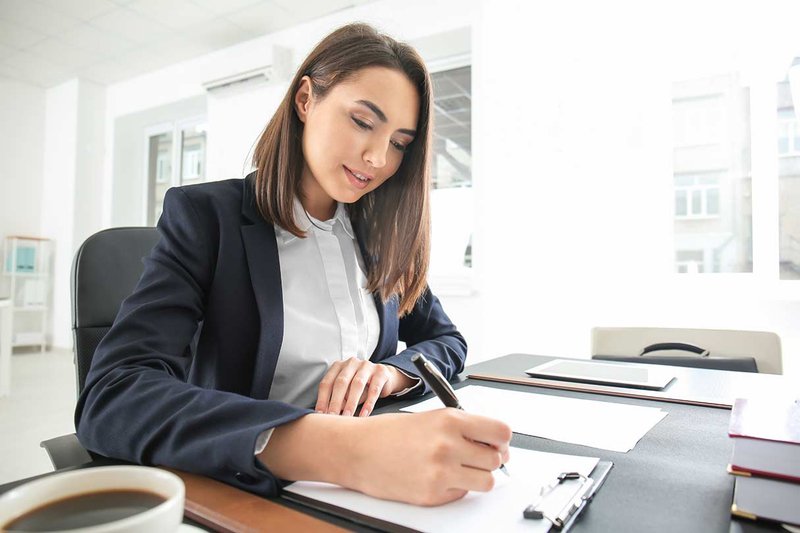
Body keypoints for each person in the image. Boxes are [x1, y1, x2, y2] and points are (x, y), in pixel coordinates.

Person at [75, 23, 511, 507]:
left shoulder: (379, 236)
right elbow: (113, 397)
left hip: (378, 475)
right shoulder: (206, 219)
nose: (378, 157)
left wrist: (390, 373)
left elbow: (447, 341)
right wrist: (341, 451)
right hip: (259, 482)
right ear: (305, 99)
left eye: (400, 143)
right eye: (363, 122)